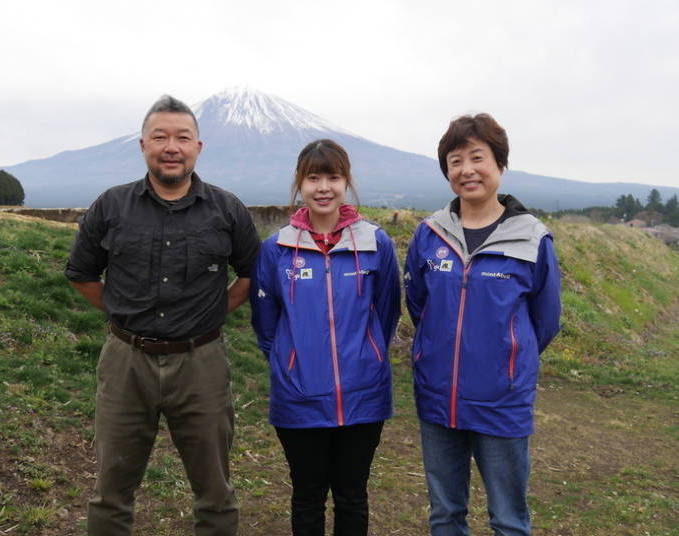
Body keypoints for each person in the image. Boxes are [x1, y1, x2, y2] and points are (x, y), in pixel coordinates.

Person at [64, 95, 260, 536]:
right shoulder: (111, 206)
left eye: (182, 137)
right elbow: (80, 273)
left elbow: (252, 273)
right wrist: (120, 313)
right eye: (160, 137)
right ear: (142, 145)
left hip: (202, 364)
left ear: (198, 147)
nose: (171, 146)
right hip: (125, 362)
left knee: (215, 491)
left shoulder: (227, 210)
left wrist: (212, 313)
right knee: (110, 491)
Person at [404, 114, 561, 536]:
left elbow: (545, 321)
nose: (466, 170)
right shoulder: (429, 234)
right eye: (455, 161)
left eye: (477, 157)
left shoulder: (532, 239)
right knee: (445, 515)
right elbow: (419, 304)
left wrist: (505, 360)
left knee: (508, 520)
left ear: (500, 165)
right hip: (439, 397)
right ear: (447, 172)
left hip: (501, 401)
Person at [250, 139, 401, 536]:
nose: (323, 187)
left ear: (346, 181)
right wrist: (290, 362)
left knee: (352, 496)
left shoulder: (375, 243)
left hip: (363, 395)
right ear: (299, 183)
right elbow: (266, 322)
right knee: (307, 496)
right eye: (313, 177)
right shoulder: (277, 247)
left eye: (332, 177)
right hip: (299, 396)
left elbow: (386, 313)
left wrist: (368, 356)